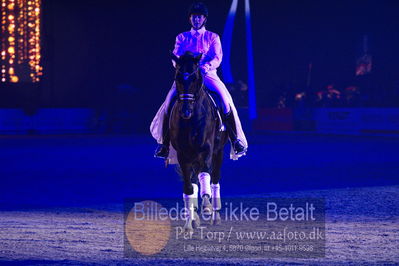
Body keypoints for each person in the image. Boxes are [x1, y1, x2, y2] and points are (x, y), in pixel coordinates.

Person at [150, 2, 248, 161]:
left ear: (204, 19)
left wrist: (205, 67)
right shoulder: (182, 37)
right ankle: (165, 144)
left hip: (207, 74)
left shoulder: (212, 36)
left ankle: (234, 138)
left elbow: (218, 57)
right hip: (187, 76)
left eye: (199, 17)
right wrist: (182, 66)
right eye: (194, 17)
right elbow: (176, 56)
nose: (196, 19)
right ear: (190, 19)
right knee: (168, 102)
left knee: (225, 100)